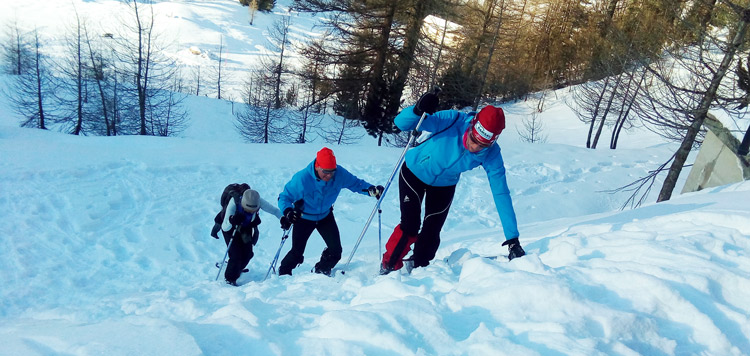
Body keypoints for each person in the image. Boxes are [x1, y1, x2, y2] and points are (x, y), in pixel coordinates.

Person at [380, 91, 526, 275]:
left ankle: (419, 270)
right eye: (473, 139)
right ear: (473, 125)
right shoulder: (452, 120)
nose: (474, 147)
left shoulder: (492, 154)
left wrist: (512, 239)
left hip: (444, 185)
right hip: (415, 171)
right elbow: (400, 124)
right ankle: (388, 264)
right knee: (410, 224)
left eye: (482, 146)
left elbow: (501, 193)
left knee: (432, 232)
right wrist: (417, 111)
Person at [277, 147, 383, 276]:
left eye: (332, 172)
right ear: (317, 166)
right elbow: (284, 197)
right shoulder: (302, 179)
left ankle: (322, 269)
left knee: (336, 251)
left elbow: (356, 184)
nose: (329, 175)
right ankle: (283, 273)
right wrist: (288, 211)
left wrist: (371, 189)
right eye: (325, 172)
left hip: (325, 216)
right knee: (297, 252)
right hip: (304, 218)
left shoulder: (339, 174)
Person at [214, 187, 282, 285]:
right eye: (248, 210)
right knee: (236, 255)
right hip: (231, 228)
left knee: (248, 254)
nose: (250, 212)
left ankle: (237, 269)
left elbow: (275, 211)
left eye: (253, 210)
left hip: (245, 227)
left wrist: (284, 218)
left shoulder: (258, 201)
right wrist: (232, 220)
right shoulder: (234, 201)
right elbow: (225, 227)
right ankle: (229, 279)